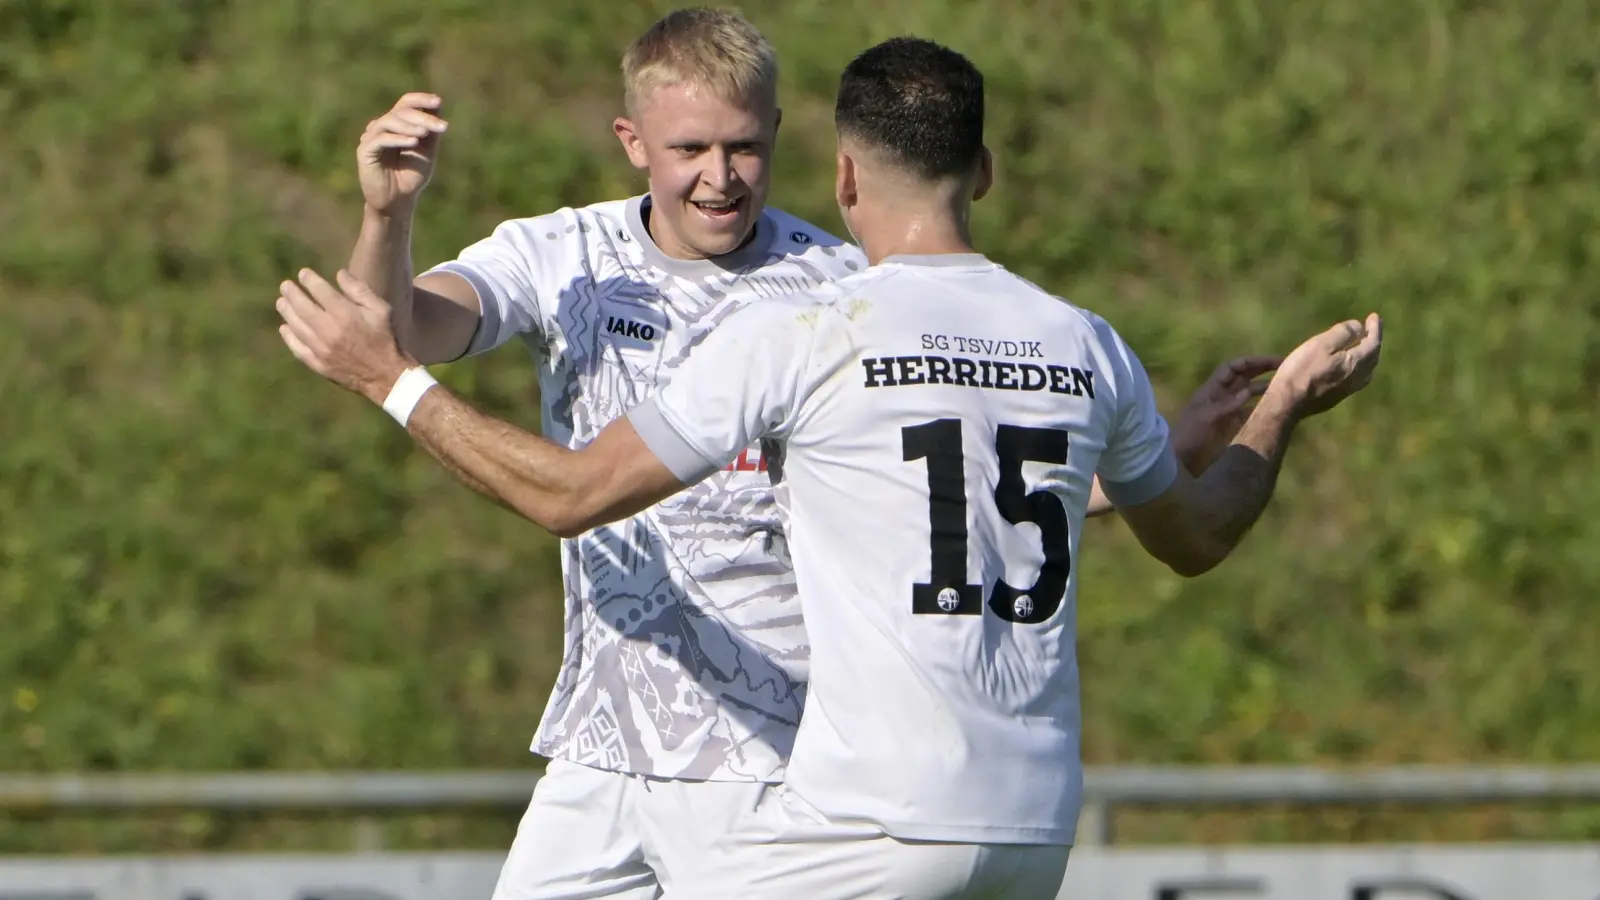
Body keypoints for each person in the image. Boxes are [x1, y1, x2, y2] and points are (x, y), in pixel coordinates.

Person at [326, 10, 1286, 897]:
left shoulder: (837, 289)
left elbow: (943, 491)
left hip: (765, 738)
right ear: (632, 145)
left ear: (788, 141)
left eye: (744, 146)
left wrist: (1136, 465)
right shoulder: (562, 255)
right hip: (603, 735)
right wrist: (388, 217)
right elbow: (398, 329)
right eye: (690, 149)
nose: (721, 175)